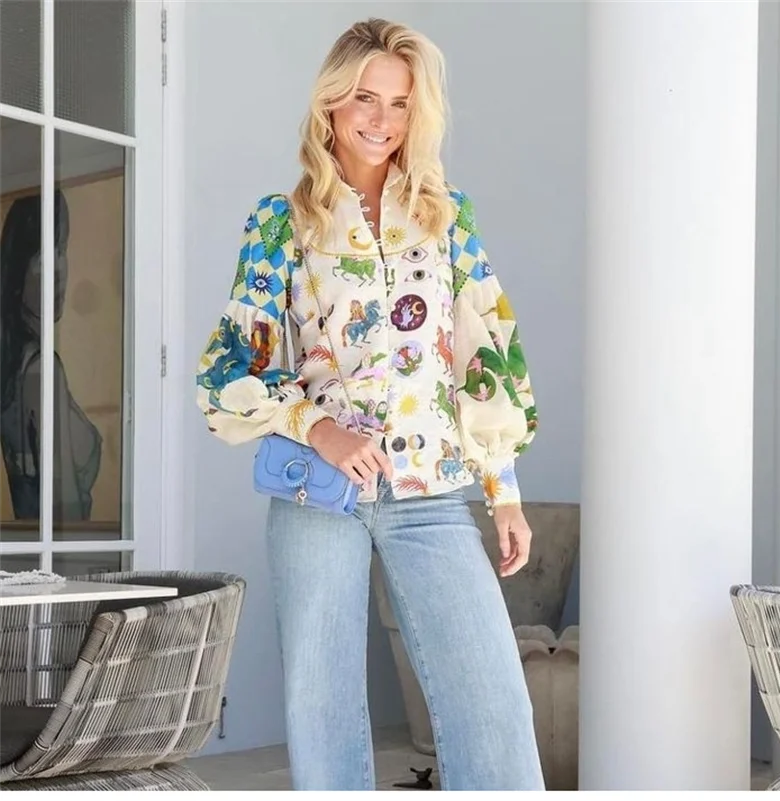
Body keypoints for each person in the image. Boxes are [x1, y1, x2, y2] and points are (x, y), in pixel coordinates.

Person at [196, 18, 544, 791]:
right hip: (322, 495)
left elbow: (483, 353)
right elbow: (231, 369)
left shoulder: (447, 217)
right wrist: (316, 427)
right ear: (331, 102)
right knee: (322, 711)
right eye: (365, 97)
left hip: (432, 491)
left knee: (492, 701)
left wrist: (504, 489)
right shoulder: (280, 223)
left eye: (399, 102)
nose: (381, 118)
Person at [0, 191, 102, 523]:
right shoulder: (41, 371)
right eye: (42, 256)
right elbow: (66, 513)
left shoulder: (16, 363)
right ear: (19, 270)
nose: (58, 270)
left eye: (61, 250)